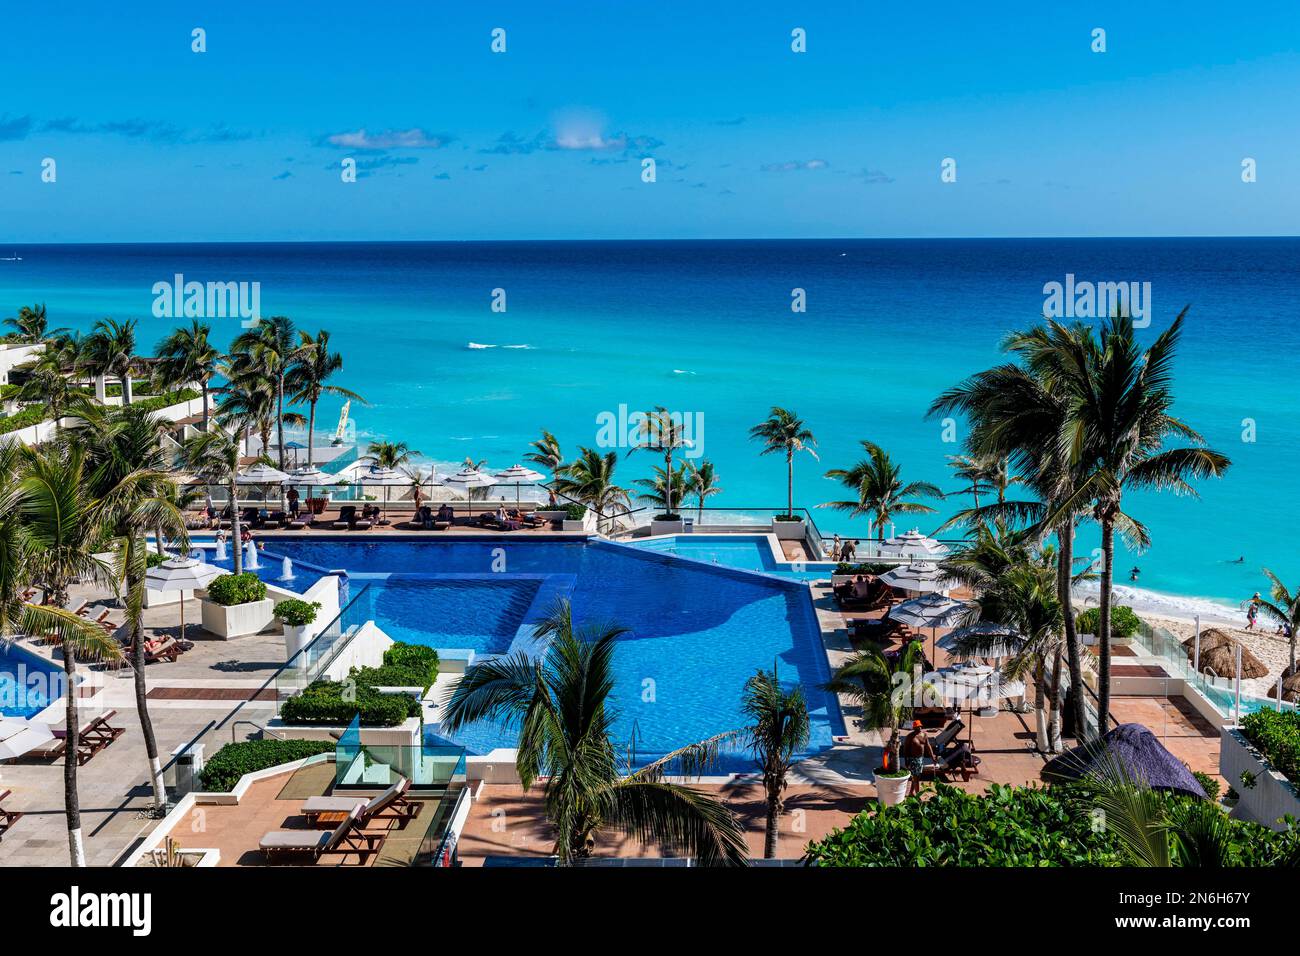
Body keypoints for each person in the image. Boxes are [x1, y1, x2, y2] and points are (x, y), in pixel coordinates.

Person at [902, 720, 937, 797]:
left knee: (917, 776)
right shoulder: (910, 737)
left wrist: (932, 756)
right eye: (917, 727)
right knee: (916, 778)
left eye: (920, 726)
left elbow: (928, 746)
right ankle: (918, 795)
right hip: (913, 759)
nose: (919, 728)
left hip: (920, 759)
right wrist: (906, 760)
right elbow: (905, 749)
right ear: (914, 728)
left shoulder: (924, 735)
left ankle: (911, 792)